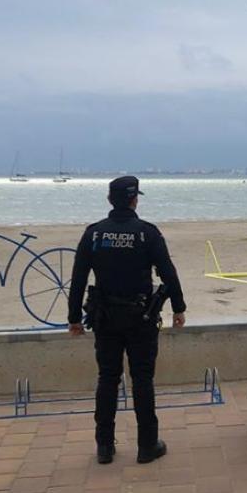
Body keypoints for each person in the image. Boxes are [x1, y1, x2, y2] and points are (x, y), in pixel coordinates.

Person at [67, 175, 187, 465]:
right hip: (140, 319)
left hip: (105, 319)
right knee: (142, 380)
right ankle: (147, 445)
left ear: (110, 200)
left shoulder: (94, 234)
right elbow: (168, 273)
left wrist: (74, 318)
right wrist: (179, 307)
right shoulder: (147, 233)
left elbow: (78, 279)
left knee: (107, 379)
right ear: (134, 200)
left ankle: (104, 447)